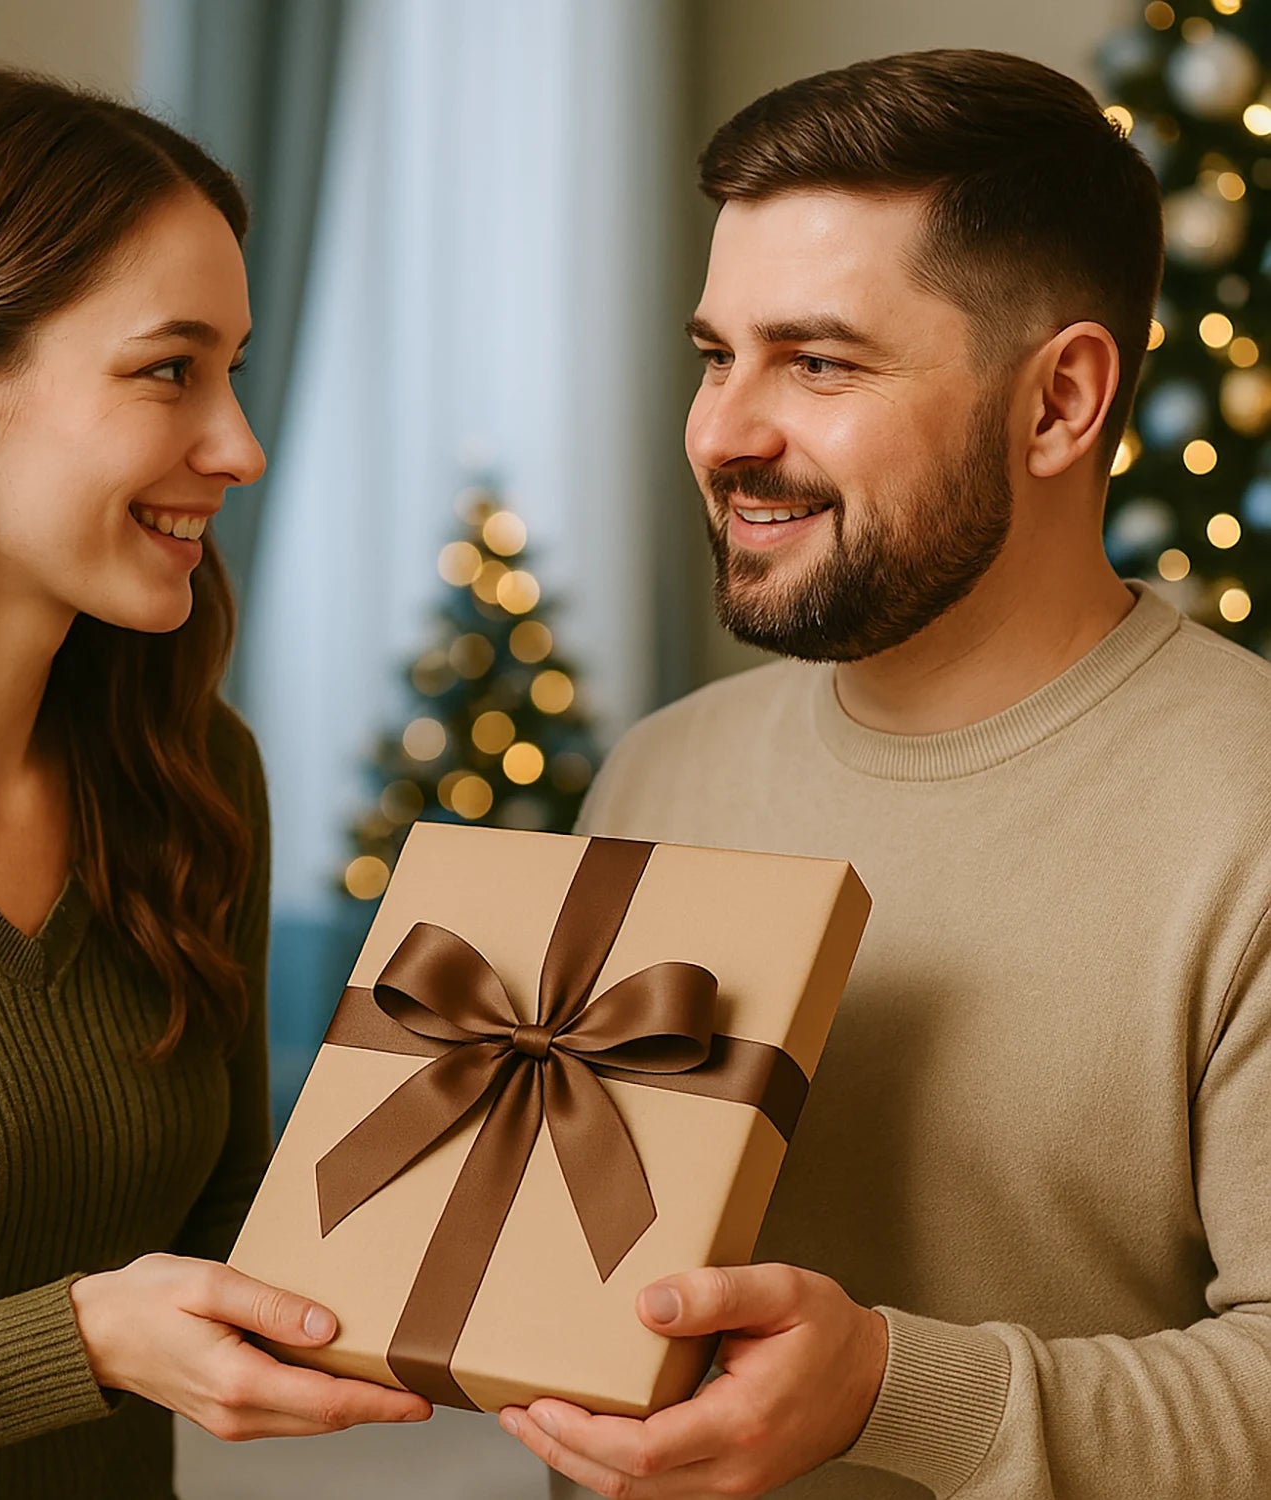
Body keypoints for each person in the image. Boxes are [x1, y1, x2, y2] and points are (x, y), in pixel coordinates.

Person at [500, 48, 1271, 1500]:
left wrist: (885, 1392)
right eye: (715, 356)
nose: (723, 434)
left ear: (1060, 403)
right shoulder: (659, 775)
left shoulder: (1249, 813)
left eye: (819, 362)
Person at [0, 66, 430, 1497]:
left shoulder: (192, 775)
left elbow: (226, 1234)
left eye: (234, 370)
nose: (240, 447)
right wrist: (78, 1342)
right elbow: (116, 1327)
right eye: (168, 370)